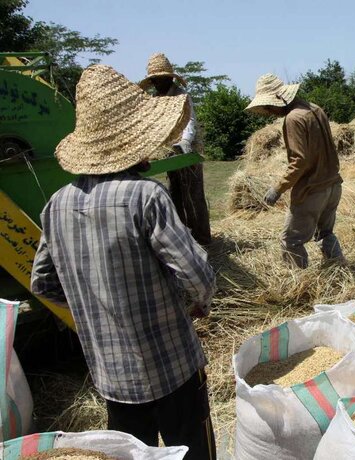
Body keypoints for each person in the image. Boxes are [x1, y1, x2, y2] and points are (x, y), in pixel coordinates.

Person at [31, 65, 216, 460]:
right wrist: (194, 303)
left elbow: (43, 284)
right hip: (173, 367)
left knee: (133, 453)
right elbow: (197, 276)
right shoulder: (145, 197)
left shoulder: (55, 205)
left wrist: (92, 308)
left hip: (112, 378)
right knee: (194, 451)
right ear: (137, 141)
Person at [244, 73, 344, 268]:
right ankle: (338, 267)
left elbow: (300, 161)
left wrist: (278, 188)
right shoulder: (315, 109)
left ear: (278, 100)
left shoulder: (293, 118)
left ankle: (298, 285)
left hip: (312, 191)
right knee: (325, 233)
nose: (270, 112)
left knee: (291, 240)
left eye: (268, 107)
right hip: (333, 186)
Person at [139, 52, 211, 245]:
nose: (156, 83)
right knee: (175, 195)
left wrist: (185, 141)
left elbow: (190, 122)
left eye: (159, 79)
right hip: (167, 152)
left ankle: (203, 239)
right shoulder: (154, 99)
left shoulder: (181, 96)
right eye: (154, 80)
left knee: (193, 196)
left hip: (186, 151)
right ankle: (183, 237)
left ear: (169, 78)